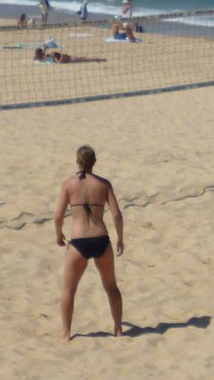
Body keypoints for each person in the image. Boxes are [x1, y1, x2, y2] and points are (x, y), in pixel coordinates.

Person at [54, 145, 123, 340]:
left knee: (68, 289)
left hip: (78, 241)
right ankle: (118, 329)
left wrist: (58, 234)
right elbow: (117, 215)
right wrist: (120, 239)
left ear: (77, 161)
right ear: (94, 162)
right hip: (101, 240)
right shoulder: (104, 184)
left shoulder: (68, 184)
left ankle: (66, 332)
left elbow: (58, 215)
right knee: (111, 287)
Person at [34, 48, 105, 64]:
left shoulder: (41, 56)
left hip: (68, 57)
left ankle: (96, 59)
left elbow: (41, 55)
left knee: (82, 58)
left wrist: (45, 48)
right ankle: (95, 59)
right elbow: (59, 62)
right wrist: (62, 55)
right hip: (68, 59)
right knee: (83, 59)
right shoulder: (53, 57)